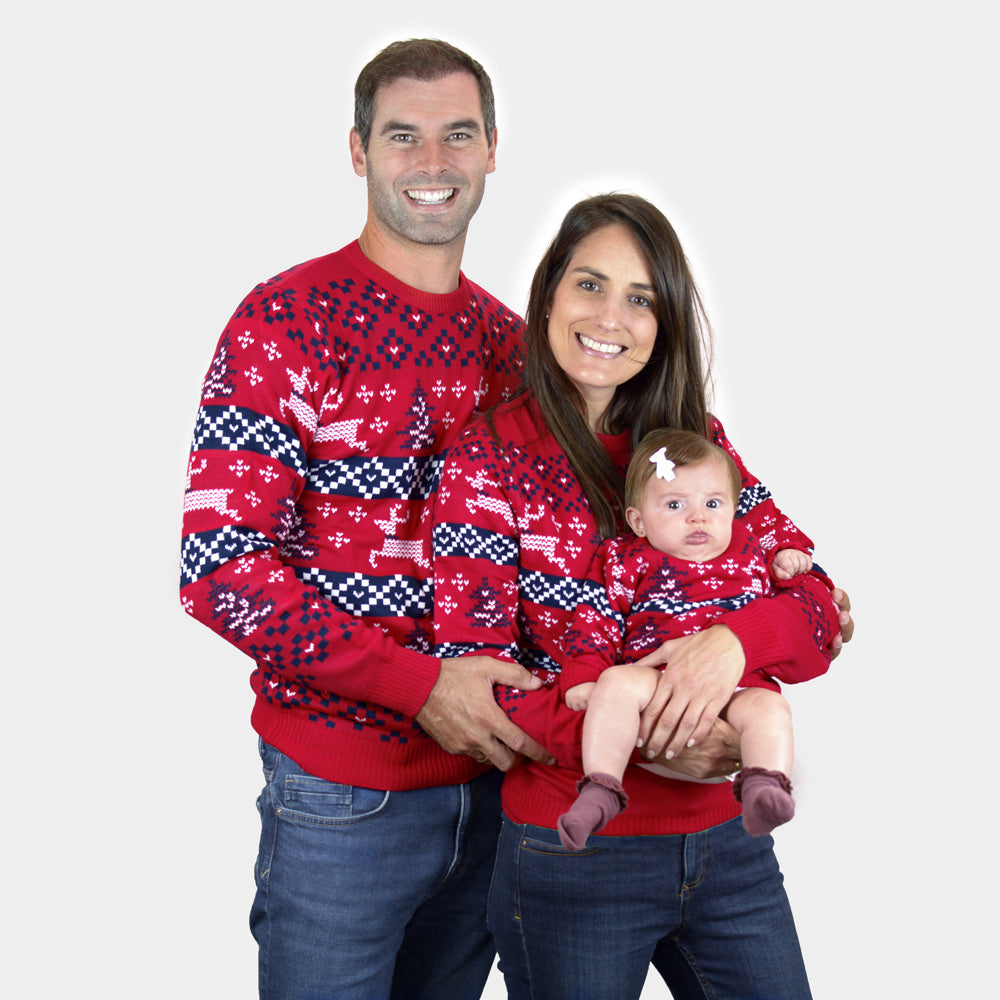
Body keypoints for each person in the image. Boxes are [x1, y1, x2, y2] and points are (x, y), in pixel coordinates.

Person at [179, 39, 555, 1000]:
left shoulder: (515, 347)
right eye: (402, 136)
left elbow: (573, 553)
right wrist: (420, 687)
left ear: (493, 149)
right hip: (343, 800)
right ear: (358, 151)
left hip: (498, 788)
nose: (433, 161)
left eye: (458, 135)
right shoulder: (287, 320)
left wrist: (763, 584)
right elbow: (219, 569)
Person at [432, 192, 848, 998]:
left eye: (641, 298)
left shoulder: (698, 445)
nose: (610, 317)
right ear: (548, 295)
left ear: (665, 324)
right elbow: (480, 689)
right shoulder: (489, 460)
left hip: (728, 843)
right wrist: (656, 740)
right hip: (575, 852)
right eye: (589, 285)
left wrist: (733, 644)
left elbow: (818, 607)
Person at [556, 427, 823, 851]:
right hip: (655, 682)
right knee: (616, 683)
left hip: (737, 686)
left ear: (733, 509)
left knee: (769, 708)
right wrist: (585, 676)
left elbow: (803, 602)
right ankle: (601, 787)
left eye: (713, 504)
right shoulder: (624, 559)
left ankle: (764, 783)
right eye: (674, 505)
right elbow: (594, 620)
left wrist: (788, 553)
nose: (698, 517)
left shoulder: (750, 550)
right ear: (638, 521)